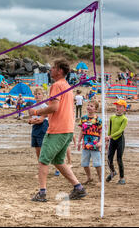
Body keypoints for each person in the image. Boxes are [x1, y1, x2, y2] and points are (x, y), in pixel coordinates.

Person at [29, 59, 86, 202]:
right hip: (67, 128)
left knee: (43, 160)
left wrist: (36, 112)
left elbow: (54, 108)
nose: (50, 70)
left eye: (53, 67)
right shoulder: (67, 85)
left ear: (60, 71)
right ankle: (78, 188)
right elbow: (58, 108)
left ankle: (42, 193)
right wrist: (40, 116)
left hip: (58, 129)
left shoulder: (57, 85)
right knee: (59, 161)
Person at [77, 100, 102, 185]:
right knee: (84, 163)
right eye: (88, 105)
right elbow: (81, 131)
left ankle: (100, 180)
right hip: (85, 144)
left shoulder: (98, 120)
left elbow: (101, 132)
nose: (89, 107)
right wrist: (79, 142)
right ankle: (89, 177)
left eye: (91, 106)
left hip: (95, 145)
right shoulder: (83, 118)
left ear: (95, 109)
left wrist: (101, 142)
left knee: (97, 164)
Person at [105, 99, 128, 185]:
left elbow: (120, 131)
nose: (117, 107)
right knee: (109, 159)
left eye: (120, 106)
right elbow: (110, 129)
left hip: (120, 140)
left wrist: (110, 136)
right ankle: (113, 172)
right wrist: (108, 140)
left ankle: (122, 178)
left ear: (124, 108)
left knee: (119, 159)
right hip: (112, 140)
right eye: (117, 106)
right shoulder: (112, 117)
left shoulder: (124, 119)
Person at [28, 88, 49, 161]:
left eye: (39, 94)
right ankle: (40, 162)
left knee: (42, 147)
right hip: (35, 127)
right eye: (36, 94)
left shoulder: (45, 106)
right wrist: (31, 121)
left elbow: (41, 120)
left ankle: (45, 162)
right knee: (36, 147)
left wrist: (33, 121)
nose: (37, 96)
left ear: (43, 96)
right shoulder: (33, 106)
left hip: (43, 127)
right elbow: (31, 118)